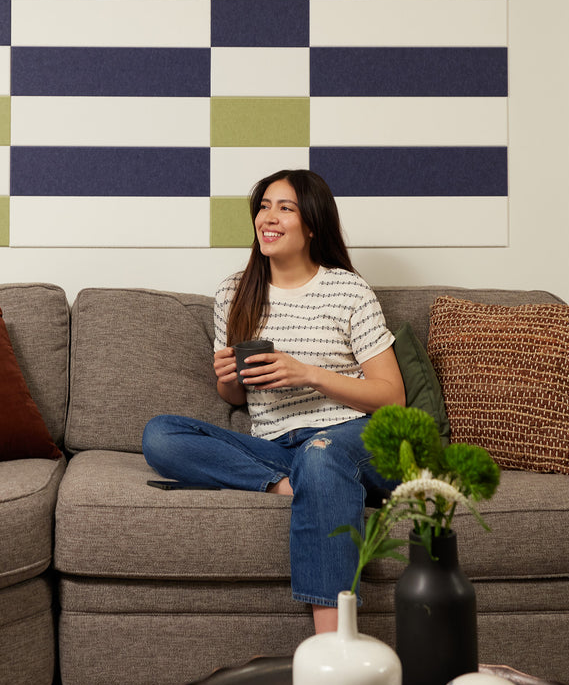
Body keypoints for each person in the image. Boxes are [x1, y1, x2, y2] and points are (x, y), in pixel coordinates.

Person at [141, 168, 404, 634]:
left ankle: (333, 644)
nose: (269, 216)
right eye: (264, 206)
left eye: (285, 207)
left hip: (352, 435)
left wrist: (309, 374)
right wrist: (227, 379)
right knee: (160, 435)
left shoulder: (348, 290)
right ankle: (302, 483)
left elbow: (392, 399)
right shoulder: (233, 292)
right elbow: (237, 399)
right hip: (278, 445)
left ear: (311, 226)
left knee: (322, 455)